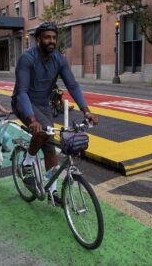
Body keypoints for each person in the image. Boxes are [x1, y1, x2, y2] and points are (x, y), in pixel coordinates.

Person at [11, 21, 98, 206]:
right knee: (43, 130)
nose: (51, 41)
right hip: (23, 103)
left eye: (54, 37)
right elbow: (22, 92)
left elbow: (72, 85)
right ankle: (27, 163)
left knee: (51, 149)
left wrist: (86, 110)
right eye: (47, 37)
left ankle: (51, 192)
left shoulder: (58, 59)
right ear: (38, 39)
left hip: (42, 105)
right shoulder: (27, 59)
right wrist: (31, 118)